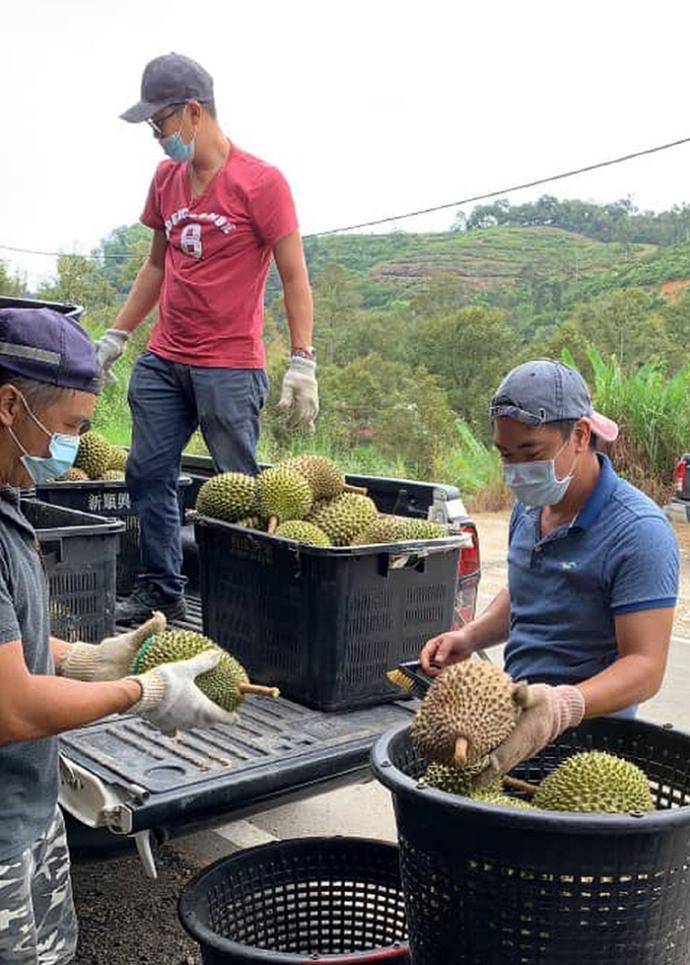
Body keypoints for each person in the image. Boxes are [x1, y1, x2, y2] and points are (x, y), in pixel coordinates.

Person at [0, 306, 235, 965]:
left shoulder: (8, 494)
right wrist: (144, 691)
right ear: (10, 404)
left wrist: (86, 660)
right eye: (71, 426)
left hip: (26, 809)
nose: (73, 445)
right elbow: (11, 707)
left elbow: (10, 643)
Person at [96, 52, 316, 624]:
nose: (156, 136)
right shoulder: (166, 179)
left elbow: (294, 274)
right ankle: (162, 586)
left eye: (160, 122)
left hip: (230, 365)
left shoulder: (261, 183)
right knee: (146, 471)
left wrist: (302, 360)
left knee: (238, 491)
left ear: (194, 112)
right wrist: (117, 335)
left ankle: (247, 602)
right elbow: (154, 268)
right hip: (166, 358)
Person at [420, 359, 679, 784]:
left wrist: (562, 706)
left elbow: (646, 666)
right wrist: (469, 636)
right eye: (506, 454)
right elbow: (528, 589)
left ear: (579, 435)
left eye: (531, 454)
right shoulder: (528, 509)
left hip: (591, 751)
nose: (517, 470)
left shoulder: (639, 533)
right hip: (510, 721)